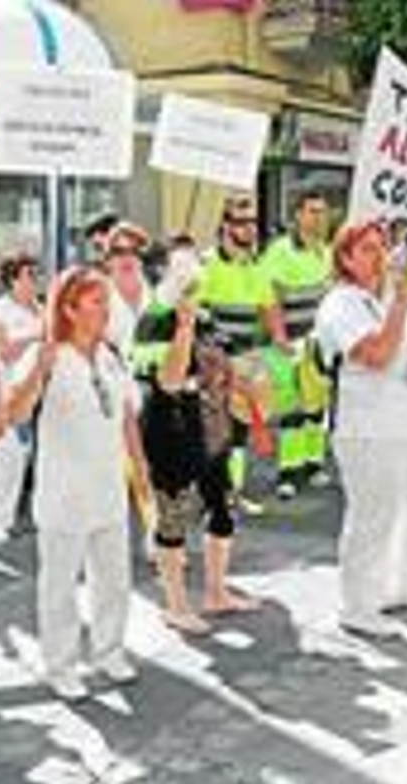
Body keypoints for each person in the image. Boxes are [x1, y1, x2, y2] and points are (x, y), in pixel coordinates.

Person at [3, 267, 149, 701]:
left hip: (107, 487)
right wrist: (35, 374)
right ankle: (61, 664)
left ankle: (109, 650)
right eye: (96, 302)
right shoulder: (47, 355)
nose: (106, 310)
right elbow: (13, 413)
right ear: (69, 308)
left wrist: (140, 466)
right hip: (63, 492)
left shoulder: (109, 354)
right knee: (60, 584)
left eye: (106, 302)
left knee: (113, 578)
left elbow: (124, 414)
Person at [315, 221, 407, 641]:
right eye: (367, 249)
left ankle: (396, 586)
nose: (379, 256)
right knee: (372, 517)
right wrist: (401, 297)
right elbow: (379, 355)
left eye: (381, 248)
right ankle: (357, 606)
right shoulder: (340, 303)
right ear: (345, 259)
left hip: (406, 420)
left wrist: (400, 292)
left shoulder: (380, 297)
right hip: (365, 427)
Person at [138, 246, 261, 634]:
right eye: (185, 279)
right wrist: (184, 330)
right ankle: (174, 604)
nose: (194, 285)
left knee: (222, 507)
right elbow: (169, 380)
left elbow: (228, 362)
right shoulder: (153, 322)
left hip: (212, 425)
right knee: (173, 514)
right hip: (170, 425)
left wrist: (248, 389)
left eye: (196, 278)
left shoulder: (207, 317)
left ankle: (215, 592)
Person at [197, 195, 290, 504]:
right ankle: (213, 490)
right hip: (211, 359)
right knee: (215, 429)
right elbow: (193, 314)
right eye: (241, 223)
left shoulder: (257, 266)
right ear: (225, 226)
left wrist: (279, 338)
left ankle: (230, 490)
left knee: (238, 428)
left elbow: (269, 306)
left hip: (246, 358)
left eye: (253, 223)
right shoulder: (206, 264)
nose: (249, 229)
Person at [260, 190, 335, 493]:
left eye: (323, 212)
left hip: (319, 342)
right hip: (289, 340)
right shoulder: (280, 250)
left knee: (316, 406)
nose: (319, 218)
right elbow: (270, 297)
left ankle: (313, 463)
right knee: (291, 408)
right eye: (312, 211)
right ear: (298, 215)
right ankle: (289, 472)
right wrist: (277, 335)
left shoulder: (326, 250)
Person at [0, 252, 44, 544]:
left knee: (22, 458)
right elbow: (3, 351)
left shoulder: (39, 308)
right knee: (6, 459)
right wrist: (36, 336)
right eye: (30, 274)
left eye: (36, 273)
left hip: (36, 397)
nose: (35, 279)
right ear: (13, 279)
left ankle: (9, 518)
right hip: (7, 395)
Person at [103, 222, 153, 358]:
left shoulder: (157, 296)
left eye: (134, 251)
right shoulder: (97, 297)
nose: (127, 258)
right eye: (118, 251)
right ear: (107, 259)